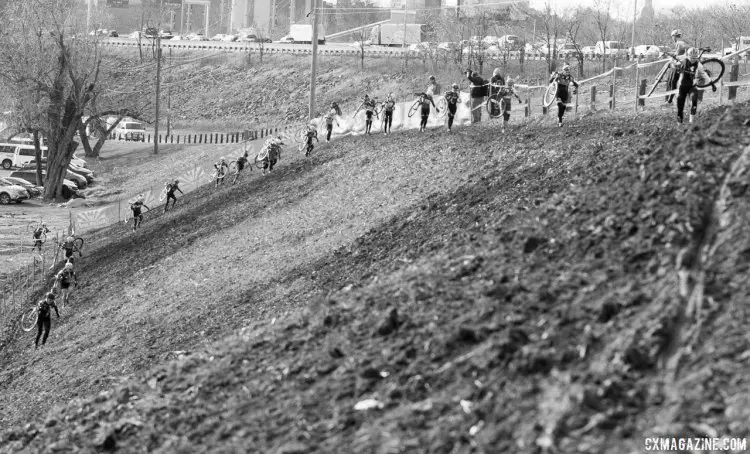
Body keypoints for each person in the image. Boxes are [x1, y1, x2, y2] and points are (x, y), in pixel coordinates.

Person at [673, 47, 712, 124]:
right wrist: (675, 65)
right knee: (680, 107)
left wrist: (710, 82)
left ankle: (691, 122)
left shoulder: (698, 64)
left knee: (694, 102)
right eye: (691, 58)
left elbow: (704, 74)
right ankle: (679, 124)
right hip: (682, 86)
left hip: (692, 86)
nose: (693, 59)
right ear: (688, 56)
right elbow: (674, 64)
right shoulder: (683, 60)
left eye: (695, 58)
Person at [666, 29, 690, 104]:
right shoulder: (677, 43)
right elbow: (677, 53)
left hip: (679, 65)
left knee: (672, 81)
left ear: (675, 36)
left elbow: (688, 48)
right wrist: (669, 53)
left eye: (672, 37)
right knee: (670, 81)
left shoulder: (680, 42)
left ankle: (670, 99)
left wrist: (684, 57)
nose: (672, 38)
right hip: (677, 64)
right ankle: (670, 98)